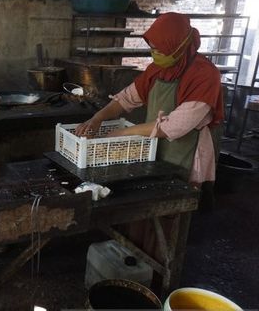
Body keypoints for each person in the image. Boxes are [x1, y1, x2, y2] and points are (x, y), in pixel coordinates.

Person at [77, 12, 223, 192]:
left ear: (179, 46)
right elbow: (126, 98)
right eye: (153, 49)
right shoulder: (157, 69)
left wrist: (121, 134)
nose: (155, 54)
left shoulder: (205, 75)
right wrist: (97, 118)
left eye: (160, 50)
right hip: (153, 147)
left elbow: (174, 126)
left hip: (186, 151)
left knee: (176, 201)